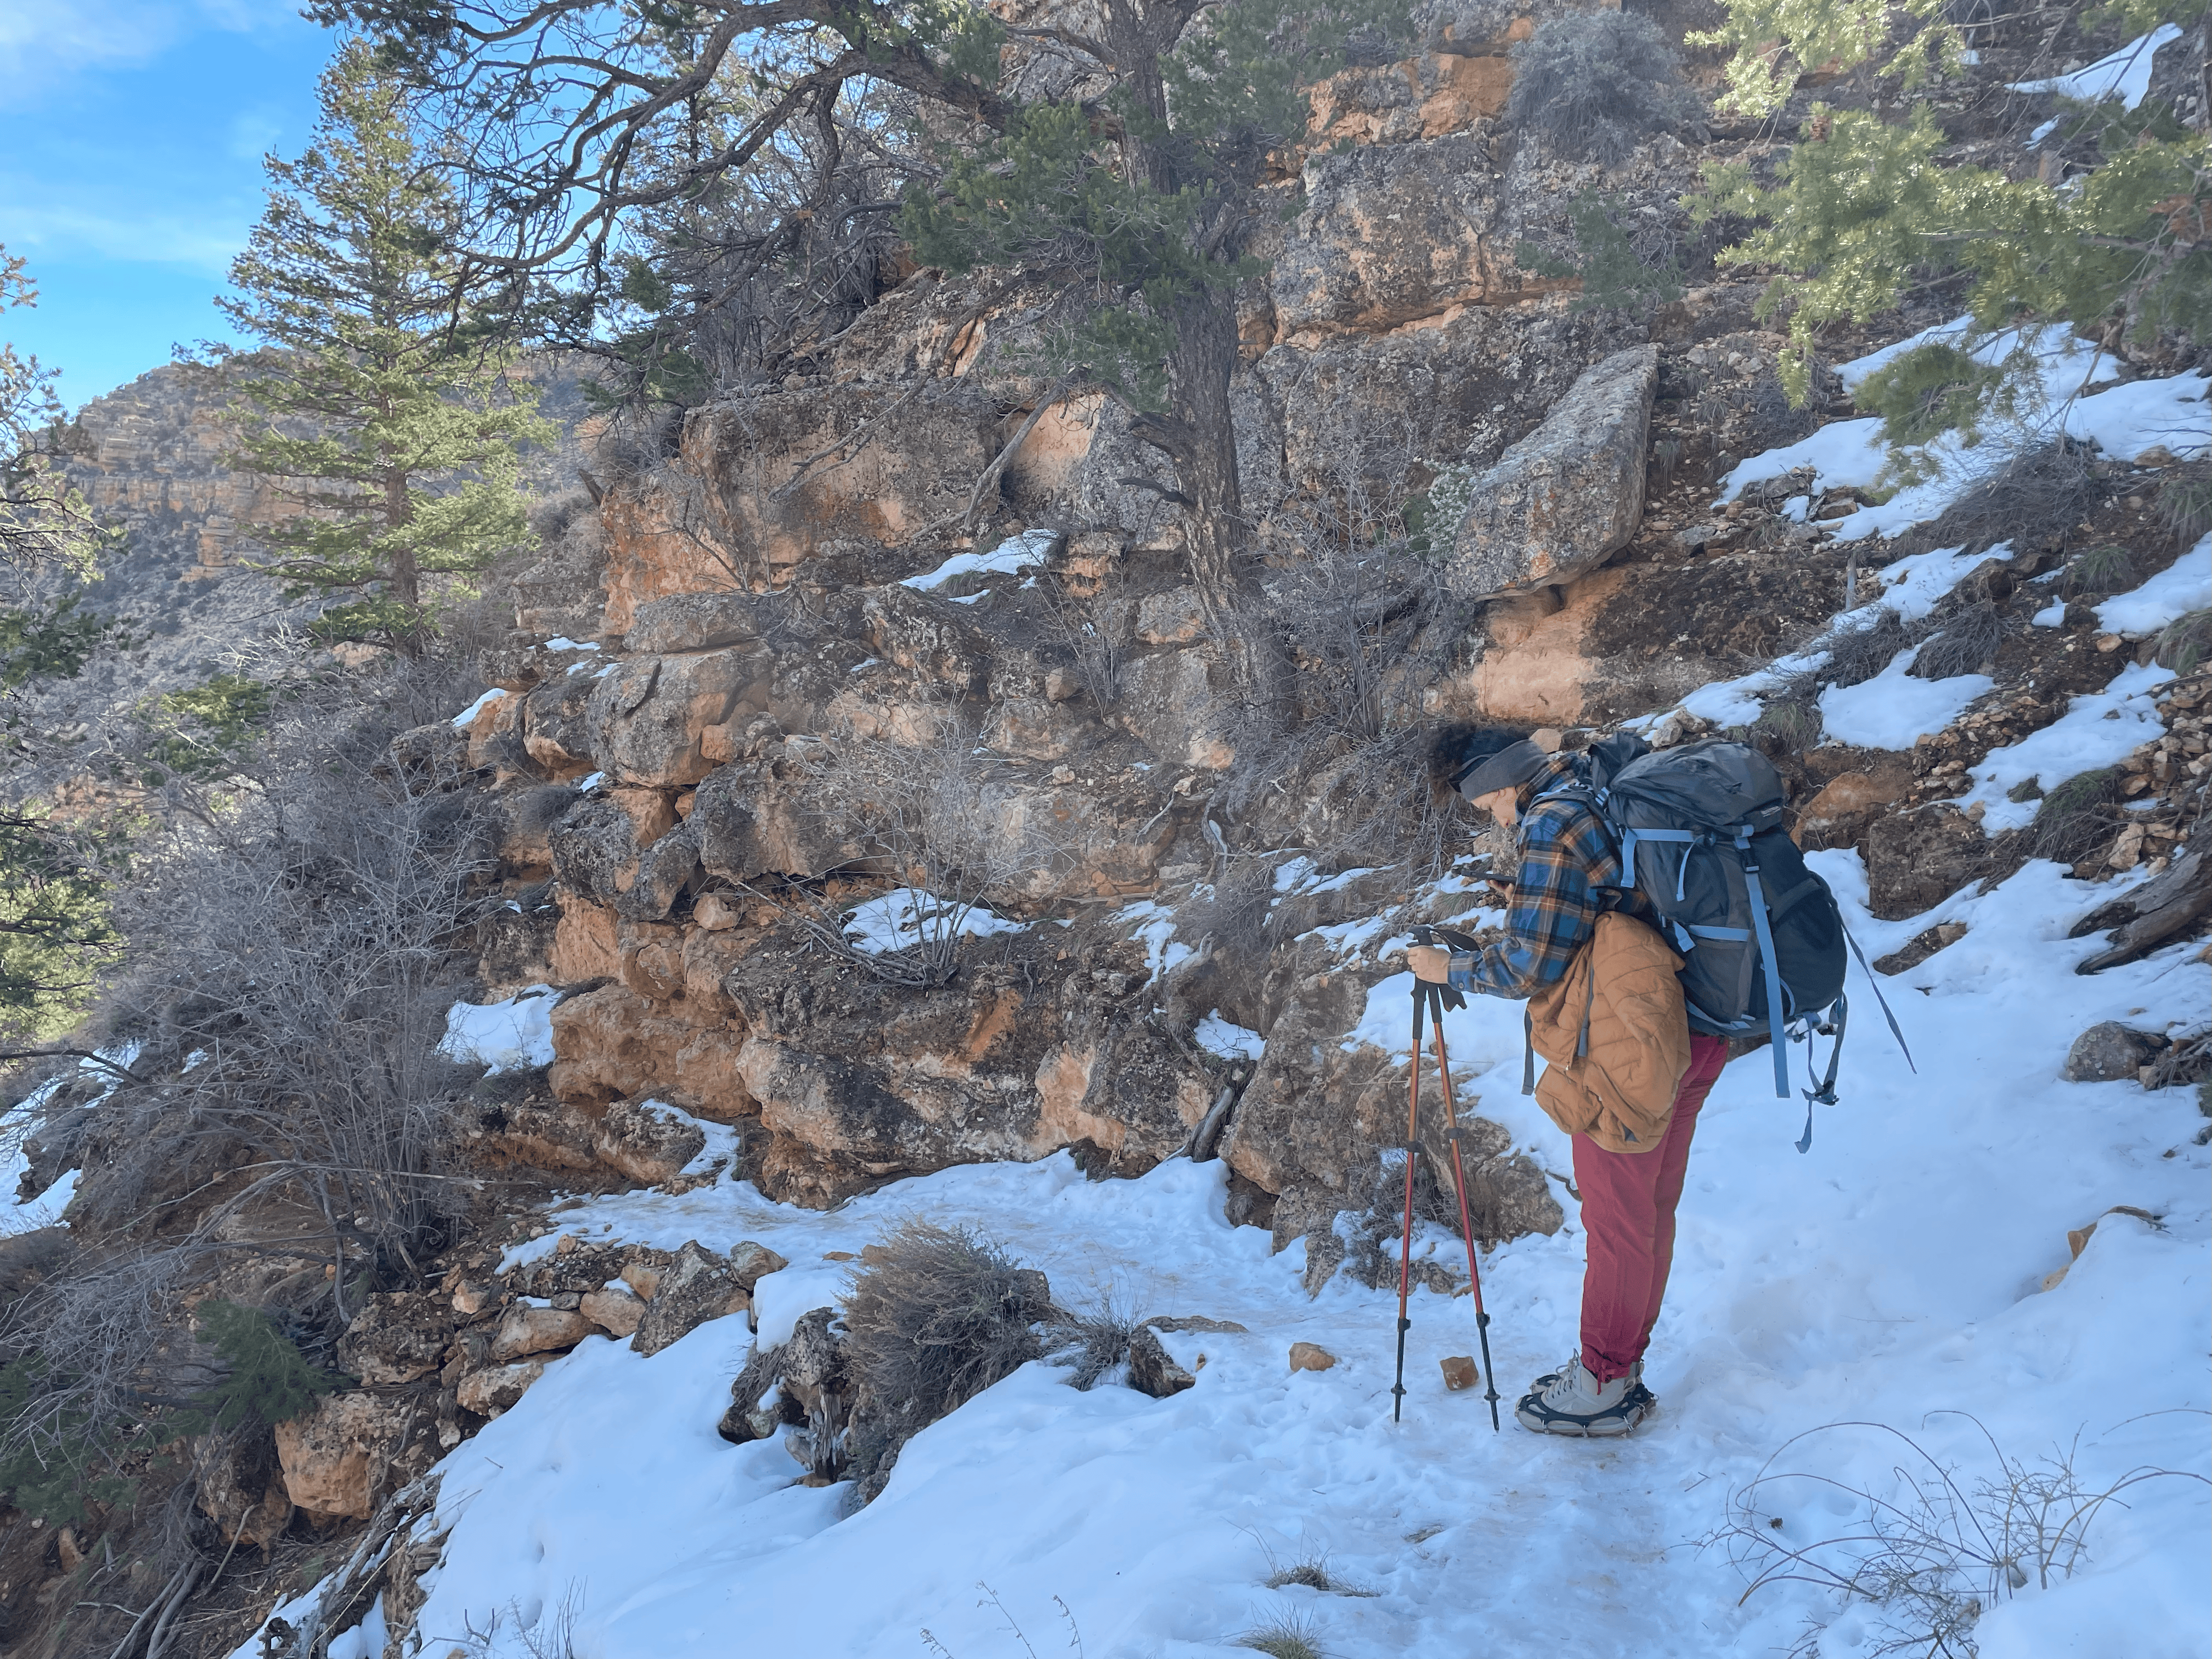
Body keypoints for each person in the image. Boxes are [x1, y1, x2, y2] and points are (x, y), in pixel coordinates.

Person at [1406, 726, 1730, 1437]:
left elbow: (1528, 966)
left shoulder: (1551, 820)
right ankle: (1618, 1365)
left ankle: (1605, 1382)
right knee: (1649, 1212)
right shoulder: (1590, 784)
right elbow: (1605, 898)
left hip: (1632, 1044)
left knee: (1618, 1223)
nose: (1491, 815)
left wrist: (1447, 970)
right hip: (1694, 1030)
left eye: (1483, 802)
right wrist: (1528, 893)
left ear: (1494, 781)